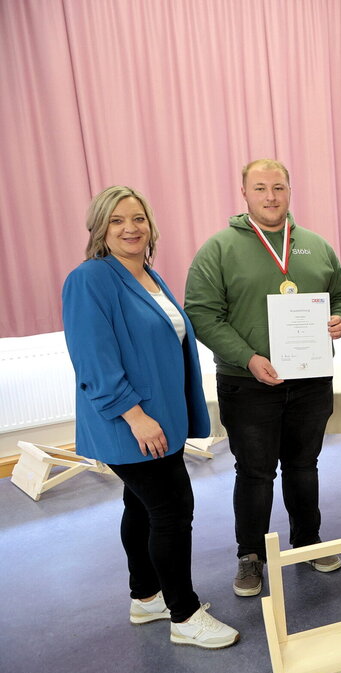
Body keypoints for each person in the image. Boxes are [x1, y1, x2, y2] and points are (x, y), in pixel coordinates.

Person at [62, 185, 238, 649]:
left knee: (141, 505)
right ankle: (184, 614)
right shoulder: (91, 279)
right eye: (117, 220)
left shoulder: (148, 276)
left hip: (160, 419)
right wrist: (135, 416)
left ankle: (146, 597)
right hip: (131, 422)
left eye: (137, 218)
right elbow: (94, 359)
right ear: (100, 228)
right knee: (172, 510)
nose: (130, 228)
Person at [185, 160, 341, 597]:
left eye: (278, 187)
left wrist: (340, 318)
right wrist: (248, 357)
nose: (271, 196)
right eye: (260, 188)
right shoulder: (218, 249)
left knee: (304, 466)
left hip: (310, 380)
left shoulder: (315, 246)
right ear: (244, 193)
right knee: (256, 472)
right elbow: (203, 314)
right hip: (248, 383)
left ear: (289, 191)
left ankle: (308, 541)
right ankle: (250, 556)